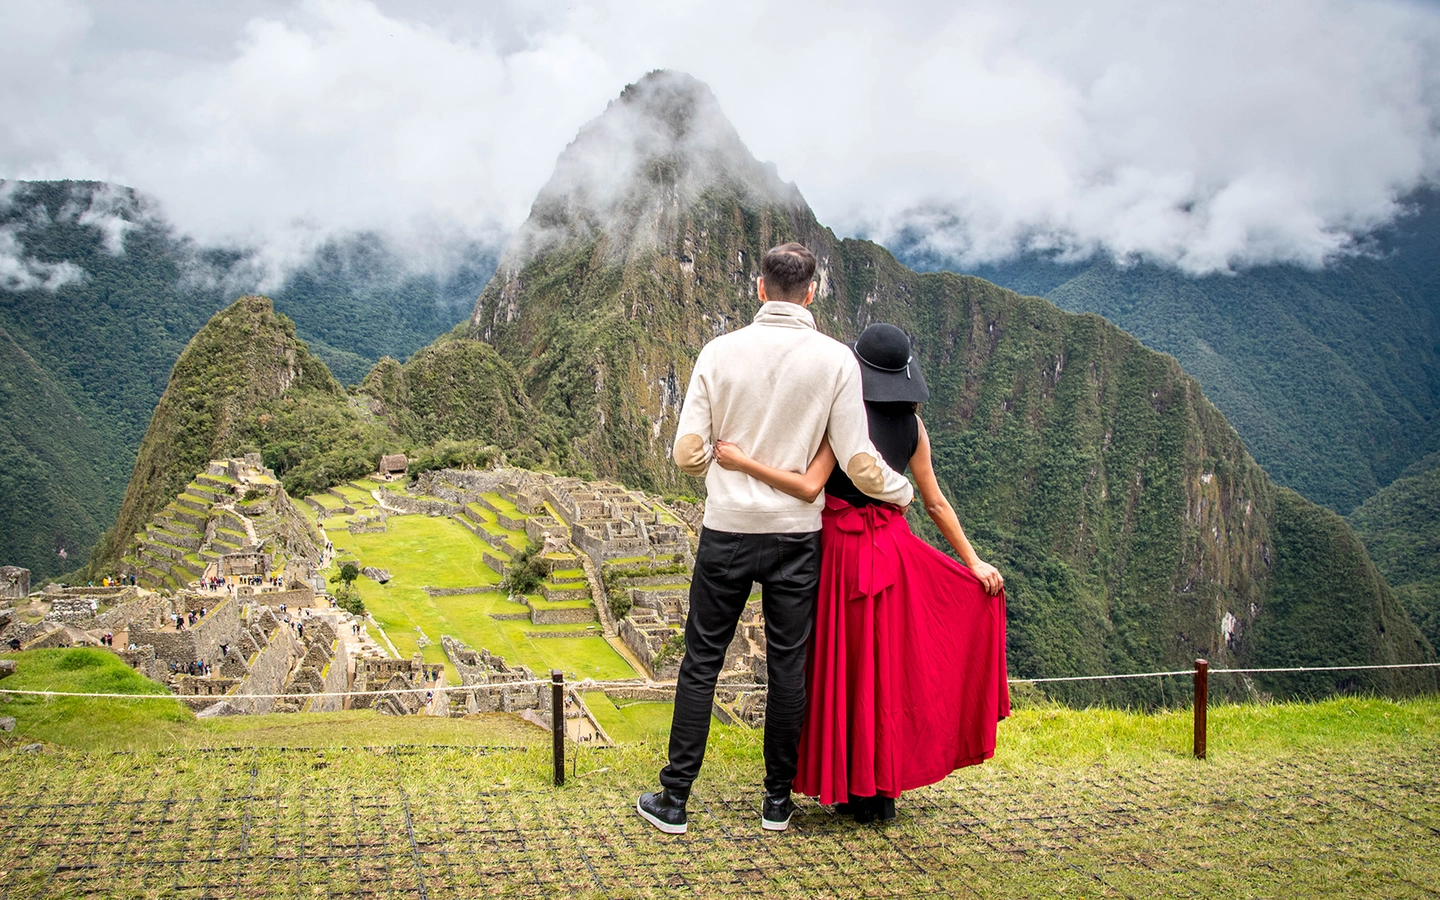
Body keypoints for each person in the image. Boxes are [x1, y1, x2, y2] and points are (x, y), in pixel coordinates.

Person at [637, 243, 914, 836]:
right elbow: (858, 460)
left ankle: (675, 799)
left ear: (760, 287)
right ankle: (776, 802)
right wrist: (902, 492)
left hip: (729, 530)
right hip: (796, 537)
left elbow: (687, 453)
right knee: (789, 666)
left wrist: (722, 465)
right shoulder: (836, 361)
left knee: (702, 661)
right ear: (811, 292)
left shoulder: (719, 351)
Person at [713, 323, 1010, 823]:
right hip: (891, 552)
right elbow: (935, 503)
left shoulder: (842, 416)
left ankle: (843, 782)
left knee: (838, 664)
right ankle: (879, 791)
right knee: (883, 668)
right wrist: (972, 562)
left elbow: (807, 484)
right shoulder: (913, 429)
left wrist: (742, 462)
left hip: (836, 552)